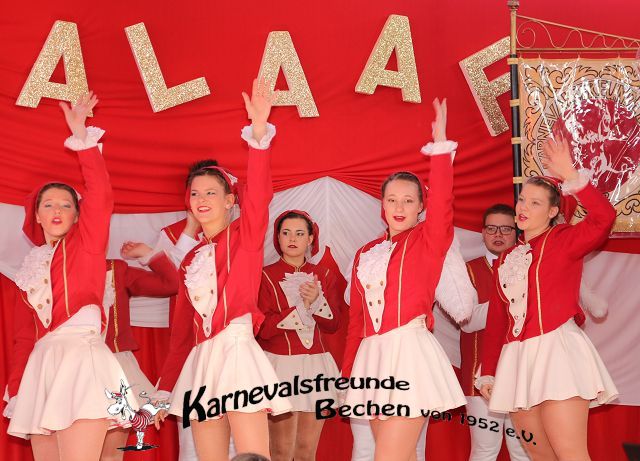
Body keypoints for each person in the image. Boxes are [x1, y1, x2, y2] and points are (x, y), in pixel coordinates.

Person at [152, 78, 291, 460]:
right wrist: (165, 387)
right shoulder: (191, 259)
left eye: (211, 192)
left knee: (253, 456)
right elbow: (182, 333)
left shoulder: (245, 237)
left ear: (230, 200)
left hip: (238, 353)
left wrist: (259, 137)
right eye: (195, 193)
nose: (201, 199)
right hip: (202, 360)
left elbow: (259, 196)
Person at [5, 93, 132, 461]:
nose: (57, 210)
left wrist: (83, 139)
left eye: (66, 204)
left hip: (82, 361)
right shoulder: (29, 269)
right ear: (37, 216)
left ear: (78, 215)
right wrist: (17, 387)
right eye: (48, 204)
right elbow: (24, 337)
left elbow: (101, 197)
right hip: (42, 368)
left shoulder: (86, 246)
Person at [478, 135, 619, 461]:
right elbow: (497, 319)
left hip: (558, 354)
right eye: (522, 200)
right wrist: (489, 370)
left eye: (535, 203)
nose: (523, 208)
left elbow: (604, 218)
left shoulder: (564, 240)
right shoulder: (506, 258)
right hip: (517, 361)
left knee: (571, 454)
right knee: (539, 457)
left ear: (554, 211)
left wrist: (573, 177)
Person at [342, 98, 467, 461]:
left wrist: (440, 150)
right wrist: (349, 373)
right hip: (371, 359)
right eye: (392, 200)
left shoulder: (428, 239)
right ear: (382, 205)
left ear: (421, 206)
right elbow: (356, 322)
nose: (399, 208)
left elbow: (444, 203)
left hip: (409, 355)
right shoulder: (366, 252)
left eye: (408, 201)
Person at [257, 210, 342, 461]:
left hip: (317, 368)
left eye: (299, 233)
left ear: (310, 238)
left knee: (306, 451)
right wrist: (299, 309)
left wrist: (317, 302)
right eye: (286, 233)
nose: (292, 239)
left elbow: (333, 325)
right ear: (278, 238)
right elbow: (262, 328)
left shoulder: (325, 275)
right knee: (281, 451)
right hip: (279, 367)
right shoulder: (264, 275)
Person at [459, 204, 529, 461]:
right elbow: (467, 321)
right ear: (482, 233)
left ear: (517, 232)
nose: (498, 234)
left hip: (522, 372)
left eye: (506, 229)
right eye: (491, 228)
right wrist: (509, 299)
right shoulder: (466, 270)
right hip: (478, 377)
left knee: (523, 450)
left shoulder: (529, 269)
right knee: (485, 450)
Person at [100, 243, 179, 460]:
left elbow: (171, 283)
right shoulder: (49, 269)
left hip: (113, 366)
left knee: (110, 456)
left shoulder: (115, 270)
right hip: (70, 366)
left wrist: (147, 254)